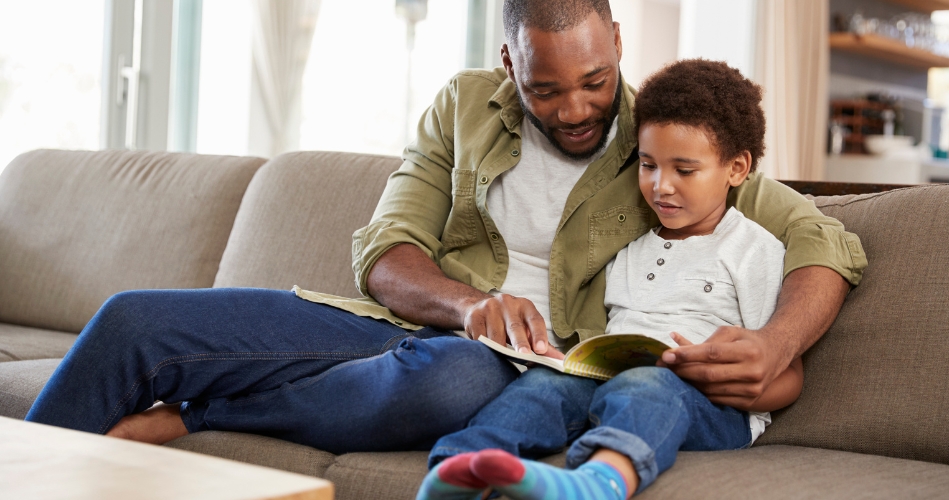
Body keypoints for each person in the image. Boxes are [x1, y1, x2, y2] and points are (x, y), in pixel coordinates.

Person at [25, 0, 865, 456]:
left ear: (617, 40)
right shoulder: (463, 110)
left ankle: (205, 417)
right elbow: (384, 254)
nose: (575, 109)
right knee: (132, 320)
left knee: (456, 385)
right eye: (546, 89)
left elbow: (824, 239)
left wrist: (778, 344)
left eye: (595, 81)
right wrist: (467, 304)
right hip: (400, 328)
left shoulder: (670, 142)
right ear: (509, 64)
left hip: (515, 371)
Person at [417, 59, 799, 500]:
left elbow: (788, 375)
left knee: (648, 385)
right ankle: (462, 469)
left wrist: (736, 383)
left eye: (684, 170)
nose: (661, 186)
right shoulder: (629, 249)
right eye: (649, 164)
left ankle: (601, 482)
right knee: (543, 385)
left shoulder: (753, 249)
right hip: (610, 383)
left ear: (736, 169)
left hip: (710, 407)